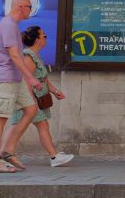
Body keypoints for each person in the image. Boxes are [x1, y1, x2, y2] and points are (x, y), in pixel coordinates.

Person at [0, 0, 43, 173]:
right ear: (21, 7)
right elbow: (14, 56)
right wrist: (31, 78)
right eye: (29, 7)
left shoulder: (12, 25)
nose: (31, 11)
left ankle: (7, 151)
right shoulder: (8, 25)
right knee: (0, 118)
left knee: (31, 109)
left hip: (15, 78)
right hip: (7, 78)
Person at [5, 27, 74, 167]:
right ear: (37, 40)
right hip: (31, 98)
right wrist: (31, 102)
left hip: (35, 97)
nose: (46, 38)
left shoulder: (35, 56)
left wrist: (55, 91)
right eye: (44, 36)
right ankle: (53, 156)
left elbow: (42, 78)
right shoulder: (29, 57)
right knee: (35, 125)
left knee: (23, 125)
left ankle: (5, 154)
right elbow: (26, 80)